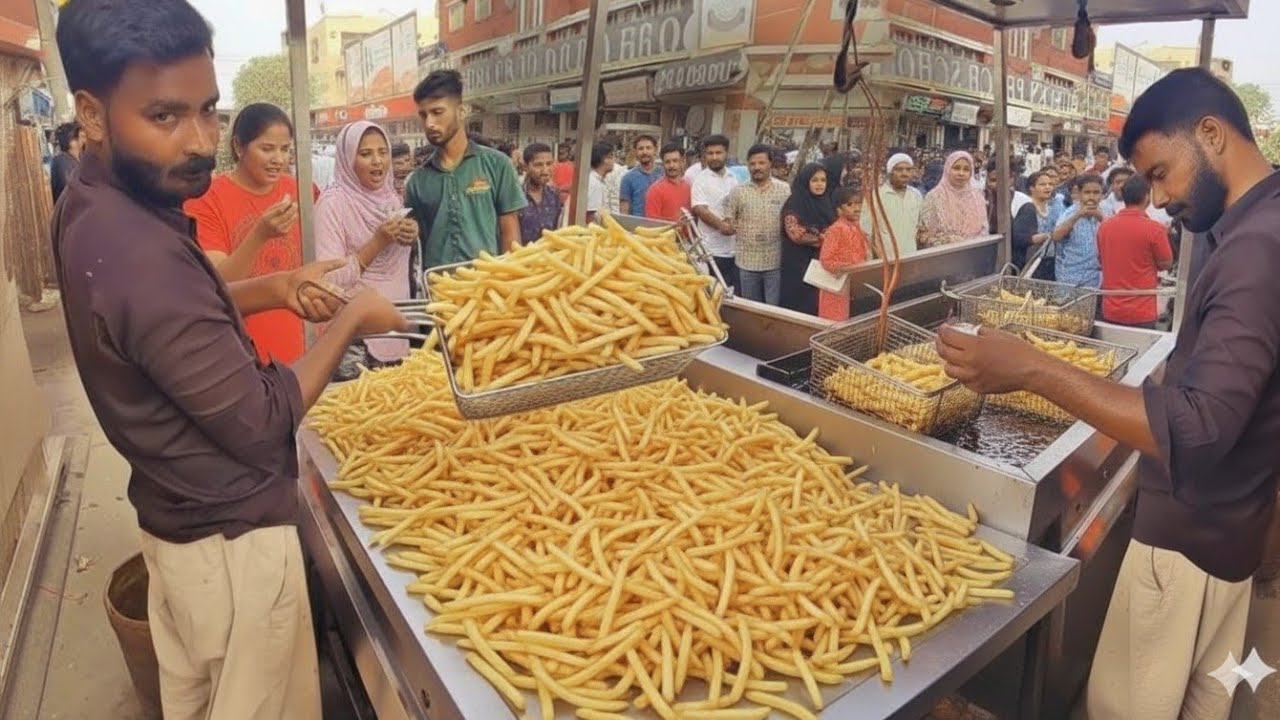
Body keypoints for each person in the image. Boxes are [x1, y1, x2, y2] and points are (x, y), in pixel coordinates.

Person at [51, 3, 408, 719]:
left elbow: (172, 313)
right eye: (165, 116)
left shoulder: (94, 203)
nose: (199, 141)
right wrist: (353, 318)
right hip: (232, 551)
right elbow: (261, 424)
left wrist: (270, 288)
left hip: (177, 531)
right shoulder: (137, 255)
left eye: (209, 112)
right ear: (91, 114)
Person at [937, 67, 1280, 720]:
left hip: (1189, 549)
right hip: (1230, 535)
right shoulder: (1257, 222)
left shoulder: (1258, 246)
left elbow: (1199, 429)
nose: (1155, 199)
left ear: (1210, 135)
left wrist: (1030, 367)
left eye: (1158, 174)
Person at [185, 103, 317, 365]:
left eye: (285, 149)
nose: (278, 159)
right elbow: (221, 283)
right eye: (267, 149)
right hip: (242, 351)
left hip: (302, 342)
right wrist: (260, 234)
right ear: (238, 146)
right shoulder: (206, 200)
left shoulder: (302, 191)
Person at [314, 121, 418, 379]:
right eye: (366, 154)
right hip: (356, 340)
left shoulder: (390, 198)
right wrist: (378, 242)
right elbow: (329, 280)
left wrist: (412, 236)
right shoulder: (332, 204)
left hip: (396, 327)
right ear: (348, 159)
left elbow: (399, 268)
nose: (377, 161)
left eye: (383, 152)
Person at [404, 70, 525, 272]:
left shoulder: (497, 165)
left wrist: (510, 281)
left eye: (437, 112)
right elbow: (416, 242)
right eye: (423, 115)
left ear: (462, 111)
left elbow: (510, 233)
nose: (429, 123)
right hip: (440, 292)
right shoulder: (417, 181)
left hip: (488, 287)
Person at [1096, 174, 1174, 329]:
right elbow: (1166, 264)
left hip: (1111, 308)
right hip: (1141, 311)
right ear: (1146, 196)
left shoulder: (1104, 227)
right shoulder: (1155, 229)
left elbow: (1101, 260)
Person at [725, 144, 791, 305]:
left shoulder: (784, 190)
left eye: (761, 163)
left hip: (774, 260)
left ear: (770, 164)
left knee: (773, 309)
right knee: (752, 308)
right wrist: (729, 227)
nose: (757, 167)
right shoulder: (738, 192)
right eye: (752, 164)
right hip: (747, 261)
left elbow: (791, 220)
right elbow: (728, 220)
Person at [779, 163, 835, 315]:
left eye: (823, 180)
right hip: (798, 265)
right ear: (805, 181)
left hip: (821, 263)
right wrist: (824, 238)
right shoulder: (795, 202)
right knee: (800, 304)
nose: (819, 184)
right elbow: (795, 234)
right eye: (814, 180)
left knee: (819, 304)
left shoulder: (827, 202)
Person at [689, 134, 740, 291]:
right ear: (705, 155)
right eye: (710, 153)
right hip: (710, 251)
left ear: (726, 153)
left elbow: (737, 206)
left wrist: (733, 223)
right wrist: (722, 226)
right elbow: (699, 209)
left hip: (733, 250)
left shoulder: (733, 178)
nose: (714, 157)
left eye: (718, 153)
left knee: (729, 294)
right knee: (711, 294)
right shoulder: (701, 180)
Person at [818, 186, 870, 322]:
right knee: (835, 322)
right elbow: (826, 260)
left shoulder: (856, 227)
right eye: (850, 204)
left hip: (852, 282)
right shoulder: (836, 230)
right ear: (839, 210)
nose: (857, 208)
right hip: (836, 285)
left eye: (859, 204)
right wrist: (848, 267)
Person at [918, 151, 987, 248]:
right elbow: (924, 236)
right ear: (947, 169)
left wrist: (970, 243)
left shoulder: (978, 198)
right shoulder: (934, 197)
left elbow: (984, 231)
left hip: (973, 255)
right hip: (942, 257)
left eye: (966, 169)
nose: (961, 173)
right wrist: (949, 241)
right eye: (956, 168)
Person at [862, 152, 922, 258]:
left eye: (908, 170)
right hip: (885, 259)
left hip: (911, 256)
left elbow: (919, 228)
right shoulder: (875, 196)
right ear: (890, 172)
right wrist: (869, 259)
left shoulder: (916, 195)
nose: (905, 173)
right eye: (899, 169)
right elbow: (865, 231)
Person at [1050, 174, 1105, 287]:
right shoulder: (1069, 213)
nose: (1091, 197)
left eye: (1096, 193)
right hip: (1070, 278)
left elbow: (1118, 236)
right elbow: (1056, 236)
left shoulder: (1106, 212)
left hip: (1096, 278)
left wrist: (1100, 217)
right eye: (1087, 192)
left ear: (1101, 194)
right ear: (1079, 194)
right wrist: (1078, 216)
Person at [1011, 170, 1057, 277]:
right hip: (1033, 263)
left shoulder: (1051, 208)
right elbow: (1019, 238)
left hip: (1049, 260)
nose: (1047, 187)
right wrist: (1046, 237)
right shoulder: (1028, 208)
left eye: (1050, 184)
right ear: (1032, 188)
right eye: (1042, 184)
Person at [517, 142, 563, 243]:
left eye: (549, 164)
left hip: (548, 255)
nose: (545, 170)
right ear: (525, 167)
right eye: (538, 165)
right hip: (520, 256)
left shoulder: (554, 195)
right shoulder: (515, 196)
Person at [645, 143, 691, 223]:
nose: (671, 165)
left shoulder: (689, 186)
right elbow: (652, 224)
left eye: (675, 161)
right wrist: (676, 225)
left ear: (682, 162)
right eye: (667, 162)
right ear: (662, 164)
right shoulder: (655, 190)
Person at [619, 134, 662, 216]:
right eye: (640, 149)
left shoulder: (663, 175)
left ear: (655, 150)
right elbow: (624, 210)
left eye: (648, 148)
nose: (645, 152)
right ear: (635, 152)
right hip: (636, 226)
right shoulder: (628, 178)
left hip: (660, 225)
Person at [50, 120, 84, 204]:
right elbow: (72, 189)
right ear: (72, 141)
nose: (84, 139)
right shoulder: (62, 161)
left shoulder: (75, 159)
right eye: (81, 136)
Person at [584, 141, 615, 225]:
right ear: (605, 159)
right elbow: (591, 216)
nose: (614, 161)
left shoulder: (596, 180)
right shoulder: (595, 184)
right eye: (611, 156)